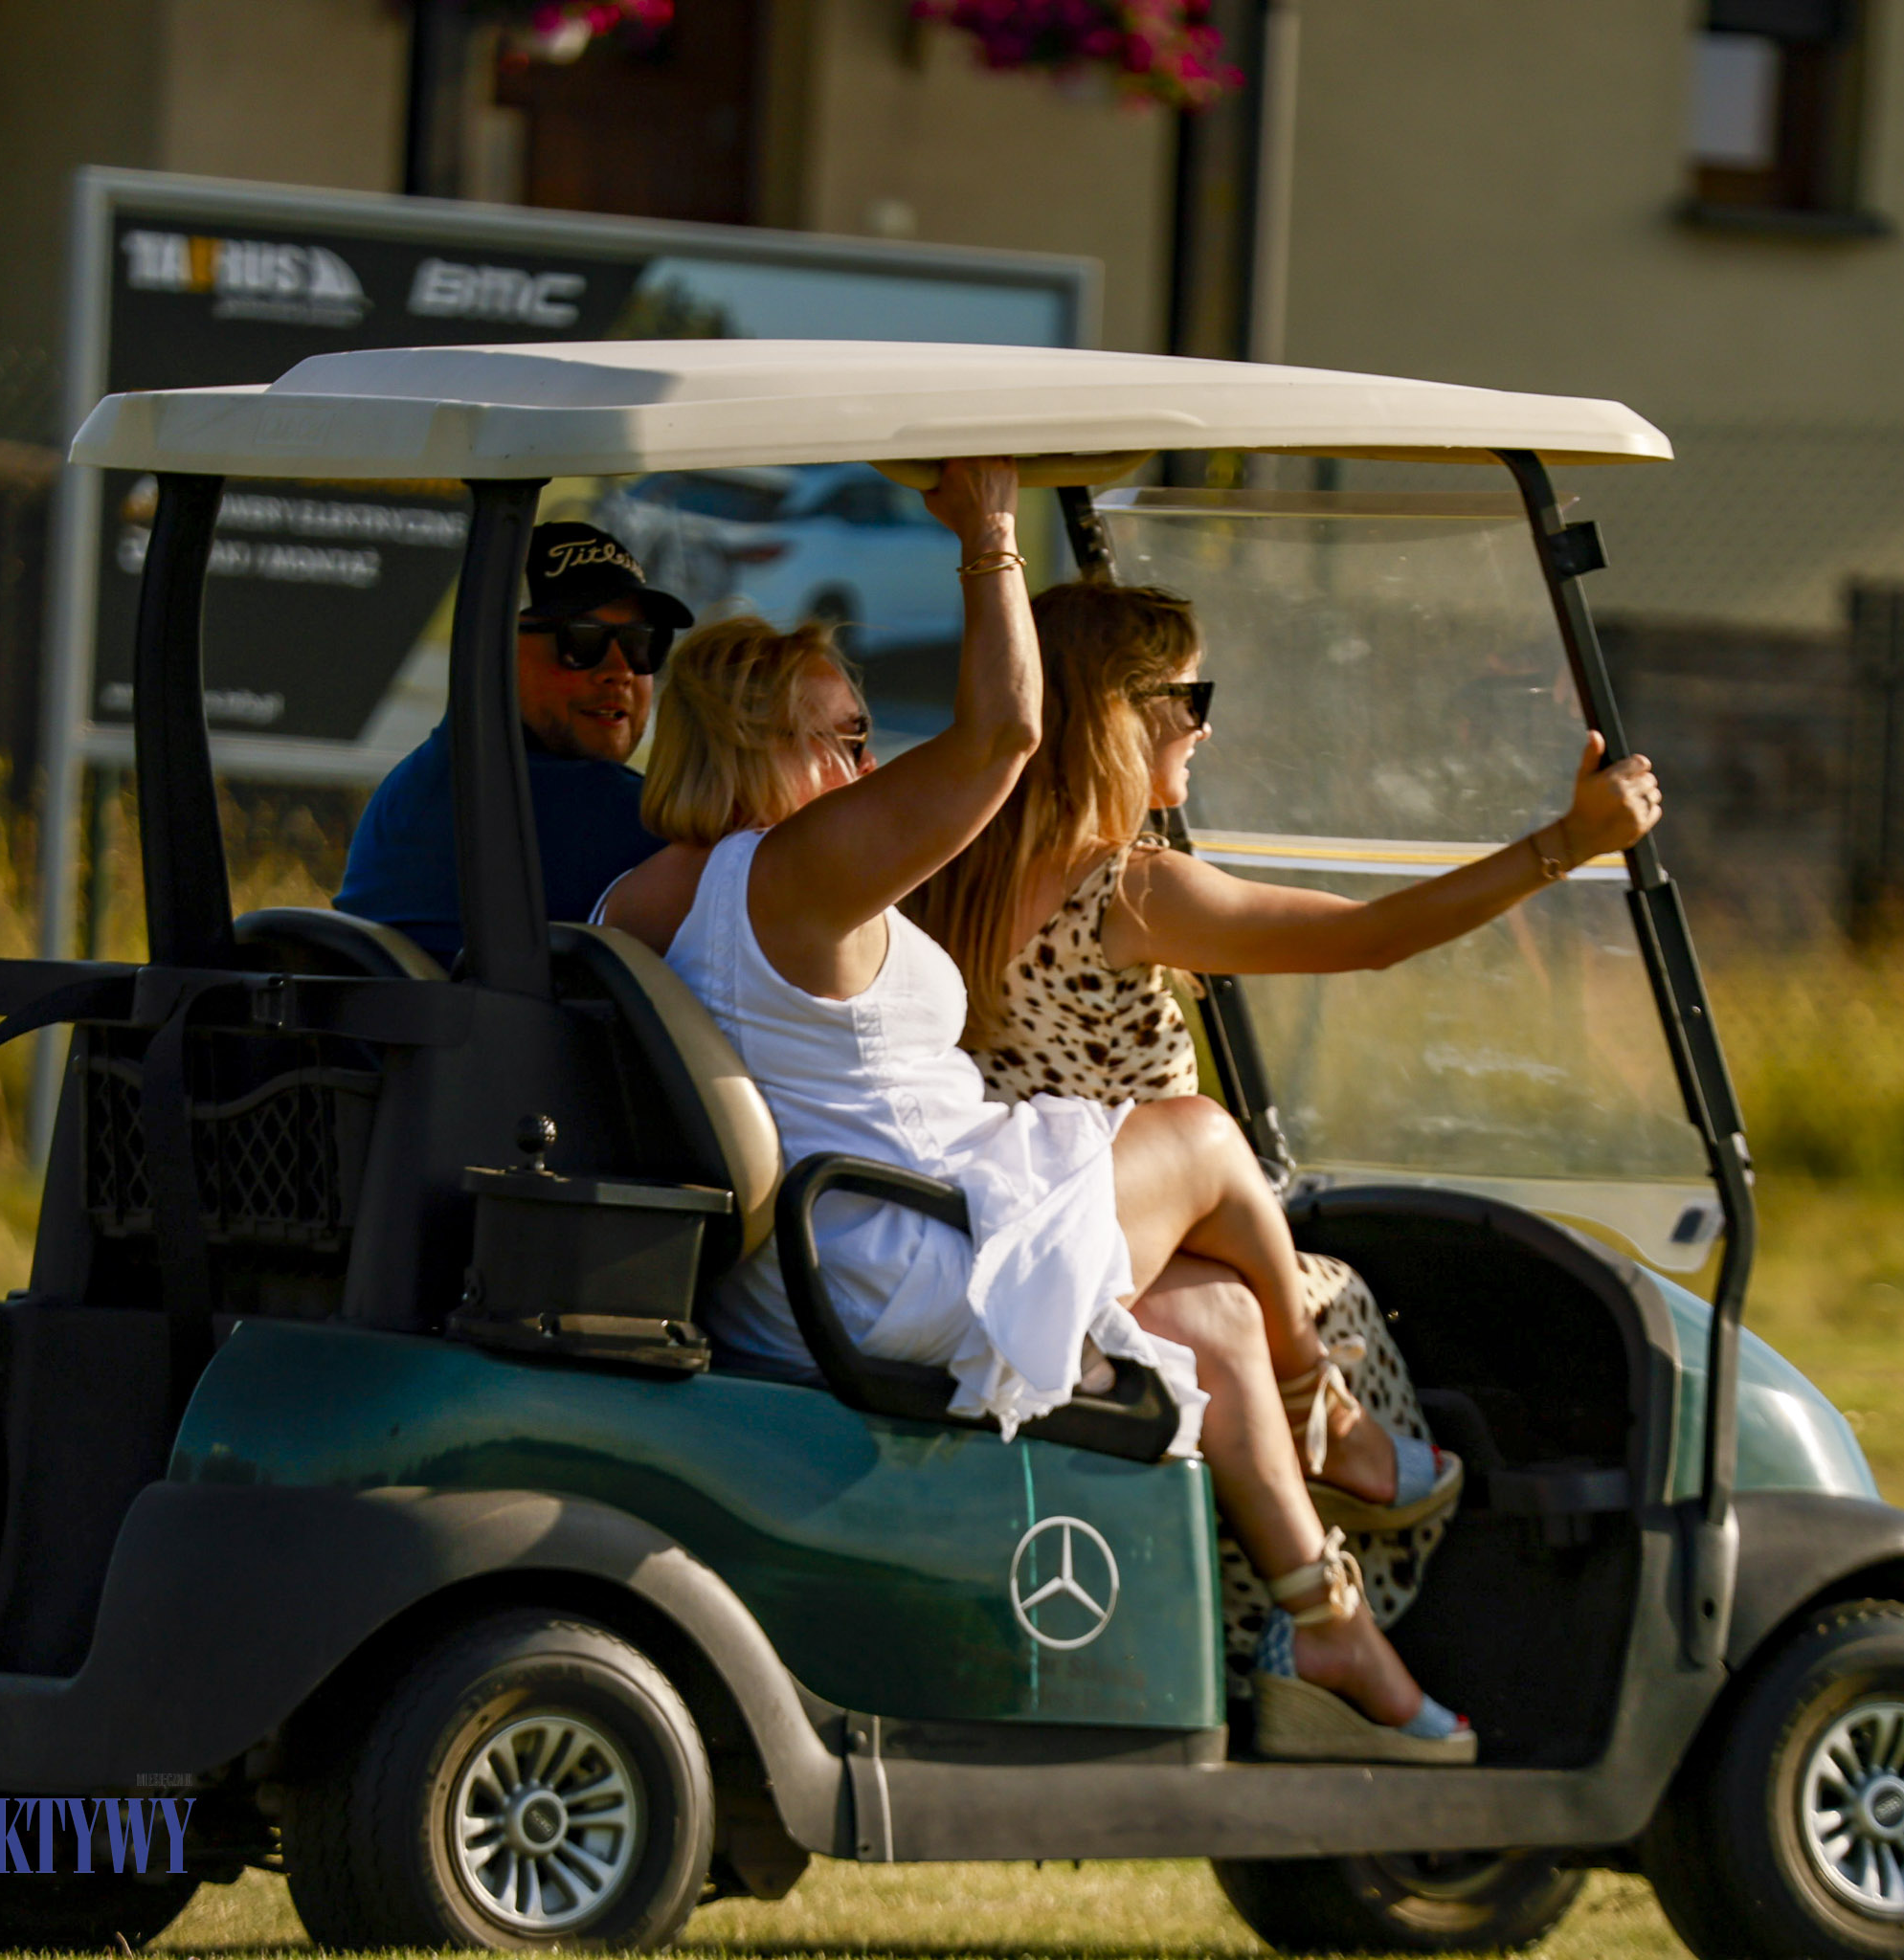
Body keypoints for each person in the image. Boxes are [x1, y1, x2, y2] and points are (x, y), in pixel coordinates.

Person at [598, 460, 1471, 1767]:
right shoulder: (791, 873)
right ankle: (1332, 1418)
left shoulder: (644, 898)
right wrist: (989, 540)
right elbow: (1007, 739)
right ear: (756, 749)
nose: (865, 760)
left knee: (1216, 1311)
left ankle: (1324, 1628)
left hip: (837, 1252)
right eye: (840, 736)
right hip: (912, 1254)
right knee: (1206, 1140)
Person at [904, 576, 1667, 1664]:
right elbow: (1372, 937)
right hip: (1112, 1226)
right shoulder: (1132, 889)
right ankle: (1345, 1457)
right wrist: (1563, 844)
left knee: (1219, 1310)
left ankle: (1325, 1636)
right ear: (1118, 713)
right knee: (1322, 1287)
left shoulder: (948, 872)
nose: (1206, 722)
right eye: (1188, 694)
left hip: (1030, 1235)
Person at [335, 522, 692, 963]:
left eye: (642, 642)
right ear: (493, 650)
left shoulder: (416, 784)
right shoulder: (597, 805)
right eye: (581, 640)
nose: (619, 669)